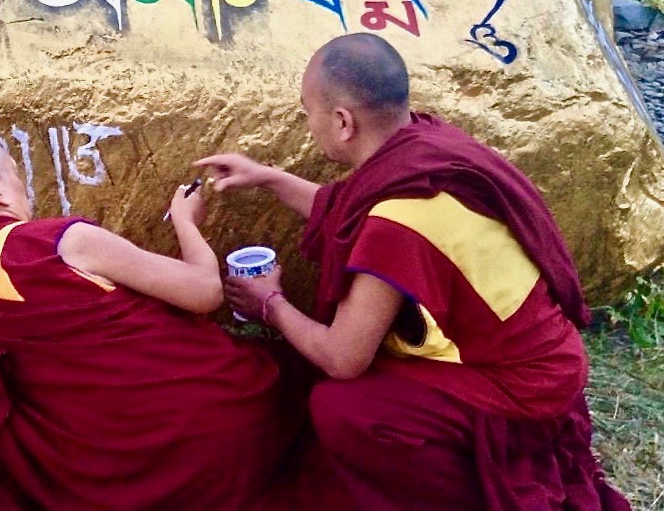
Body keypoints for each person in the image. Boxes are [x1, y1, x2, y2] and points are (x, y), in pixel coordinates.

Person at [197, 33, 631, 510]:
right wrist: (268, 178)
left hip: (523, 388)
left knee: (341, 409)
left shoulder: (397, 220)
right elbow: (344, 211)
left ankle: (464, 494)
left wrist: (270, 304)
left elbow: (344, 358)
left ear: (343, 122)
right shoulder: (430, 145)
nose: (307, 124)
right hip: (547, 353)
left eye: (308, 112)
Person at [0, 130, 293, 511]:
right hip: (208, 439)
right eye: (18, 177)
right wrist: (187, 222)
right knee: (279, 374)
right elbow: (205, 292)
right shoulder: (57, 242)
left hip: (83, 483)